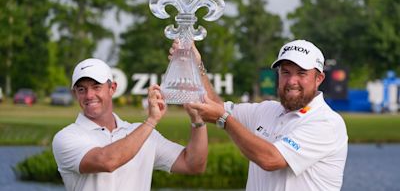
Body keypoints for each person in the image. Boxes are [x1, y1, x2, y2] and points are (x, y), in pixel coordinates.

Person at [184, 39, 348, 191]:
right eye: (285, 72)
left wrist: (224, 120)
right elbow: (213, 106)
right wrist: (197, 65)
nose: (291, 81)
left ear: (319, 78)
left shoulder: (326, 123)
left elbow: (271, 159)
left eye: (301, 73)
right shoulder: (267, 109)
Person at [52, 58, 208, 191]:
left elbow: (193, 165)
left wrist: (198, 121)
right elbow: (107, 161)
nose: (89, 95)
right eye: (81, 89)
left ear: (112, 88)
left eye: (96, 87)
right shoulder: (66, 137)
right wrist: (151, 121)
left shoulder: (143, 133)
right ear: (75, 94)